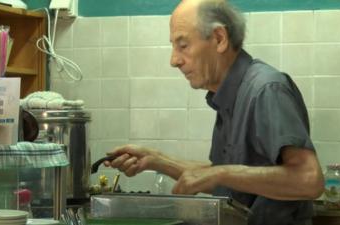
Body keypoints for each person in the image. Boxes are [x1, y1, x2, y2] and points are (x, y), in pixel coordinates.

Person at [104, 0, 324, 224]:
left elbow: (309, 180)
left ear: (219, 38)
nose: (174, 60)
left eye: (183, 45)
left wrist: (219, 174)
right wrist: (156, 160)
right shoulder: (229, 95)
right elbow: (232, 177)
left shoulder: (265, 89)